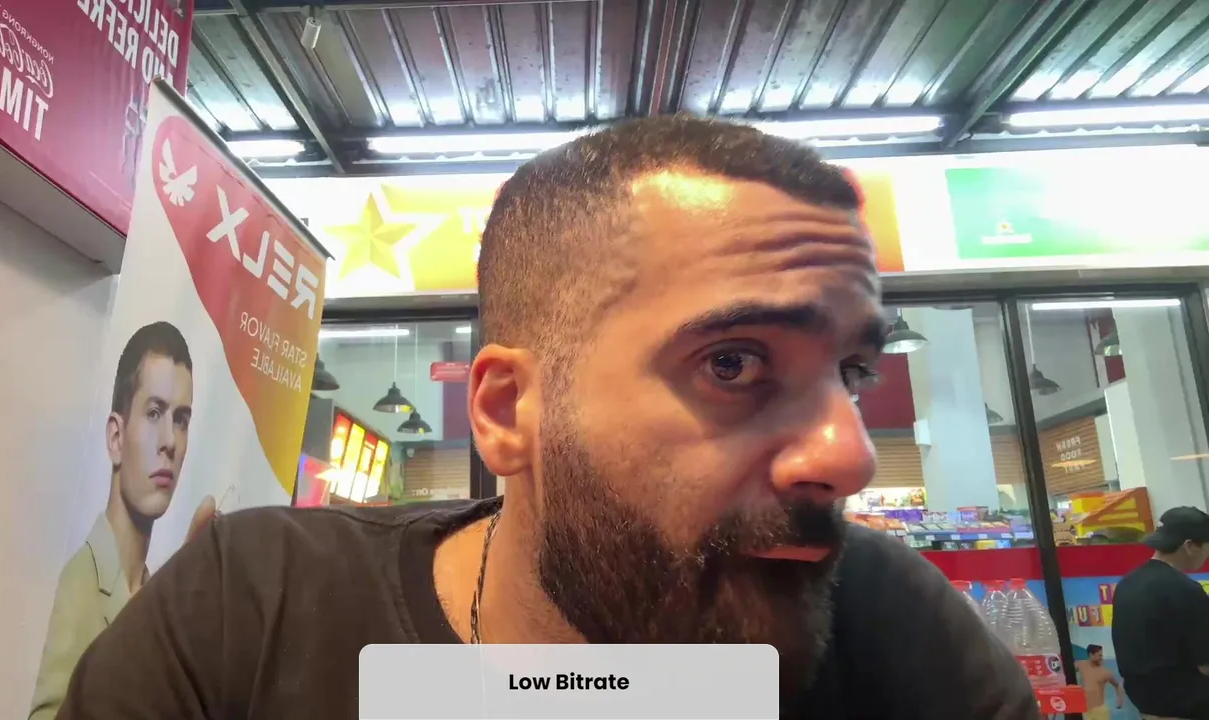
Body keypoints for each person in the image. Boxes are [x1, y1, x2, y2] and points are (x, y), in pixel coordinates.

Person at [53, 116, 1037, 718]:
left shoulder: (892, 628)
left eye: (853, 371)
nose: (848, 453)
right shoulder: (256, 613)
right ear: (507, 412)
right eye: (733, 363)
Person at [29, 321, 215, 720]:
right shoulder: (75, 585)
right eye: (154, 412)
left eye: (181, 419)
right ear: (116, 437)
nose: (170, 441)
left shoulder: (153, 597)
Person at [1112, 506, 1209, 720]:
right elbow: (1205, 664)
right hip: (1187, 706)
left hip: (1145, 704)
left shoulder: (1127, 583)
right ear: (1190, 546)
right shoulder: (1185, 590)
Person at [1075, 644, 1124, 720]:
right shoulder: (1081, 665)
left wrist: (1120, 699)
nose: (1101, 658)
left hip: (1100, 710)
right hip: (1085, 710)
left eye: (1102, 655)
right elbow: (1064, 671)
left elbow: (1117, 685)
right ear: (1091, 655)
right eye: (1099, 655)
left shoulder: (1105, 672)